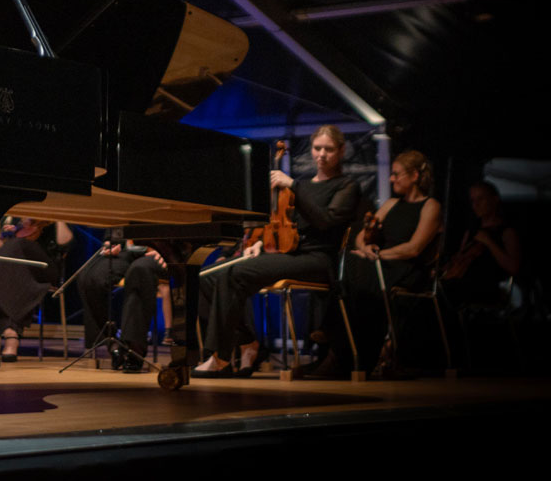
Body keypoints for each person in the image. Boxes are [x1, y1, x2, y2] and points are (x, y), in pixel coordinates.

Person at [194, 125, 361, 378]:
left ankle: (219, 357)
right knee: (206, 277)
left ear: (341, 150)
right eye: (317, 148)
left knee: (234, 274)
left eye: (328, 149)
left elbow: (325, 221)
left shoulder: (346, 186)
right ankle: (246, 342)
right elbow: (287, 226)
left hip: (318, 259)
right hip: (291, 254)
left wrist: (293, 184)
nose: (321, 154)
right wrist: (262, 243)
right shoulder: (304, 185)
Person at [325, 150, 442, 376]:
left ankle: (346, 349)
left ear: (415, 176)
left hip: (408, 267)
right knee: (351, 264)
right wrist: (365, 248)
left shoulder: (430, 206)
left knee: (358, 276)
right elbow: (361, 236)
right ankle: (346, 347)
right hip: (380, 264)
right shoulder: (390, 204)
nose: (391, 179)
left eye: (396, 174)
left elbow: (414, 248)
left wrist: (379, 256)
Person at [77, 231, 168, 371]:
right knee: (88, 276)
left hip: (159, 251)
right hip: (126, 250)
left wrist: (167, 250)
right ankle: (113, 342)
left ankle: (135, 348)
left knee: (138, 271)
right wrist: (110, 243)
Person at [0, 218, 74, 361]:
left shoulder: (49, 218)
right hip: (13, 274)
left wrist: (57, 216)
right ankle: (10, 332)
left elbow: (65, 244)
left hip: (43, 270)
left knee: (17, 244)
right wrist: (3, 239)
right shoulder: (11, 218)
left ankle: (11, 336)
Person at [443, 181, 521, 306]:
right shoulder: (472, 231)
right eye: (473, 200)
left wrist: (489, 242)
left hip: (487, 286)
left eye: (480, 199)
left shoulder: (506, 231)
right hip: (464, 283)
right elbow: (460, 259)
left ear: (494, 199)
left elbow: (513, 267)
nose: (476, 205)